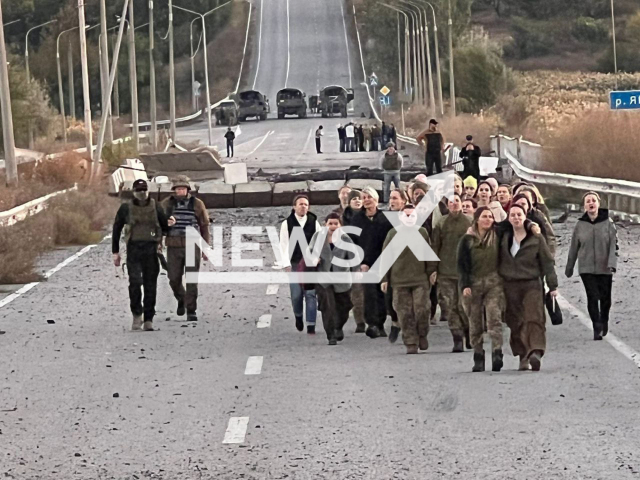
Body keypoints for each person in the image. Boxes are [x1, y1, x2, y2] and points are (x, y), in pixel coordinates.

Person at [499, 204, 558, 371]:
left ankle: (535, 351)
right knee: (515, 321)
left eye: (519, 214)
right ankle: (522, 355)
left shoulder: (536, 238)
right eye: (513, 215)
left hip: (531, 283)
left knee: (534, 317)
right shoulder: (504, 237)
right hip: (510, 285)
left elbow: (547, 262)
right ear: (508, 218)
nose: (516, 217)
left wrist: (552, 285)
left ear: (525, 217)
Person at [112, 179, 172, 331]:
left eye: (144, 190)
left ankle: (149, 318)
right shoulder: (126, 208)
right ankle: (137, 314)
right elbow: (116, 228)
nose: (142, 194)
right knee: (135, 283)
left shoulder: (156, 206)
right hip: (134, 250)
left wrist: (164, 237)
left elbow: (165, 227)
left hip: (151, 250)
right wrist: (115, 252)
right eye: (139, 191)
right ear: (133, 192)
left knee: (150, 285)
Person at [381, 204, 435, 354]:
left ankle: (422, 334)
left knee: (422, 309)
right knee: (404, 313)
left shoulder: (422, 232)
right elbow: (386, 256)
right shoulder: (392, 234)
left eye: (412, 215)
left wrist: (431, 271)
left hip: (420, 279)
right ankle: (410, 342)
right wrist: (384, 278)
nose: (409, 218)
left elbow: (428, 253)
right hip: (399, 280)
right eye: (406, 215)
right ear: (400, 217)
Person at [566, 192, 618, 340]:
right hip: (586, 267)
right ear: (584, 206)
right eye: (587, 201)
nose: (591, 203)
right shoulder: (580, 225)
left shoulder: (608, 223)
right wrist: (569, 267)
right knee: (593, 296)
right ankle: (597, 325)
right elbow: (573, 247)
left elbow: (614, 246)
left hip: (605, 267)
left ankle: (604, 319)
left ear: (598, 204)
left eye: (593, 201)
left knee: (605, 298)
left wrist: (612, 264)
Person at [458, 207, 505, 372]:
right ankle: (478, 356)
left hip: (494, 282)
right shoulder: (467, 240)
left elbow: (516, 221)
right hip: (473, 283)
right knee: (475, 321)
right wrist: (465, 285)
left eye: (491, 217)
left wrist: (531, 225)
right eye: (484, 216)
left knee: (494, 317)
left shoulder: (498, 234)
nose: (488, 219)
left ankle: (497, 352)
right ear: (477, 219)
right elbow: (462, 265)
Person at [161, 175, 211, 322]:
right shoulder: (166, 204)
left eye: (183, 189)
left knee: (191, 279)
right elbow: (158, 223)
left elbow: (204, 226)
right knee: (173, 278)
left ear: (188, 189)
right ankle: (181, 298)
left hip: (192, 246)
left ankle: (191, 310)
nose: (180, 191)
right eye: (178, 189)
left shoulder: (197, 204)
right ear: (174, 190)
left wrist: (205, 248)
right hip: (173, 246)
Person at [350, 186, 393, 338]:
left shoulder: (385, 218)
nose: (367, 200)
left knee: (383, 294)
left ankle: (382, 323)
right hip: (364, 263)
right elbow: (352, 242)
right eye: (364, 197)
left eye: (369, 197)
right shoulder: (357, 219)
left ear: (376, 199)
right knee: (369, 294)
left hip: (383, 261)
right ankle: (373, 324)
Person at [432, 193, 473, 352]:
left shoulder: (469, 222)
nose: (454, 204)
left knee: (464, 306)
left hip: (466, 273)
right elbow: (435, 247)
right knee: (449, 307)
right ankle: (457, 337)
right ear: (447, 205)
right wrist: (433, 269)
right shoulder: (441, 223)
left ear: (462, 203)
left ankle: (468, 331)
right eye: (451, 202)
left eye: (457, 201)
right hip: (446, 271)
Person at [310, 213, 358, 345]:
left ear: (340, 225)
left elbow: (354, 257)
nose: (333, 226)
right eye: (330, 223)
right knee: (328, 307)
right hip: (323, 278)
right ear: (325, 225)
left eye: (336, 223)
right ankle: (331, 334)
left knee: (345, 306)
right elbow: (309, 251)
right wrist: (314, 259)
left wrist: (356, 272)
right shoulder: (318, 237)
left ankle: (338, 326)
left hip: (342, 279)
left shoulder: (346, 239)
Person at [279, 195, 322, 334]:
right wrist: (285, 263)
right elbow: (283, 245)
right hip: (295, 263)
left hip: (310, 264)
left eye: (306, 204)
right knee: (296, 294)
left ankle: (311, 324)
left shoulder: (314, 222)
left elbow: (319, 241)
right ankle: (298, 316)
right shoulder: (287, 223)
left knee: (310, 294)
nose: (303, 206)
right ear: (294, 206)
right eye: (301, 204)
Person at [385, 188, 408, 343]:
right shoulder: (385, 219)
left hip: (411, 265)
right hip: (392, 264)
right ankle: (395, 321)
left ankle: (408, 330)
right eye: (390, 198)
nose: (392, 201)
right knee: (390, 299)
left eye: (395, 198)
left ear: (403, 201)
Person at [341, 190, 366, 332]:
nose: (357, 201)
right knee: (357, 294)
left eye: (359, 198)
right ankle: (360, 322)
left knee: (370, 293)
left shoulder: (367, 217)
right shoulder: (344, 219)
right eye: (354, 199)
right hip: (350, 260)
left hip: (368, 258)